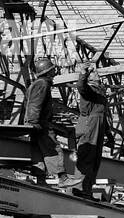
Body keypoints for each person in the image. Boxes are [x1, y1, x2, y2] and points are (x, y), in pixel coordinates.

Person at [23, 56, 72, 188]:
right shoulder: (42, 84)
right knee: (53, 149)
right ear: (47, 72)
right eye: (52, 70)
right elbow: (34, 104)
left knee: (38, 151)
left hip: (35, 123)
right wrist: (34, 122)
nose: (54, 73)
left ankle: (40, 180)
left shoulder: (37, 84)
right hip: (40, 124)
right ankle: (63, 178)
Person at [73, 62, 111, 198]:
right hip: (89, 126)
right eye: (94, 73)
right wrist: (83, 73)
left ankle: (87, 190)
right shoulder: (89, 90)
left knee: (95, 160)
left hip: (98, 127)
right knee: (86, 156)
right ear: (90, 78)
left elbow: (103, 117)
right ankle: (77, 188)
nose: (97, 73)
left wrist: (109, 135)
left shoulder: (100, 94)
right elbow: (80, 86)